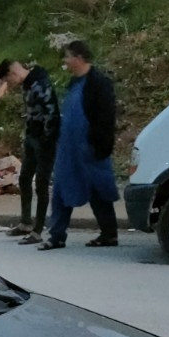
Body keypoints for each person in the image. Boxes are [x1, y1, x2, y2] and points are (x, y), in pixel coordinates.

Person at [39, 40, 120, 250]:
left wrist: (100, 146)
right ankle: (56, 236)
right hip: (69, 149)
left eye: (67, 56)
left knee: (99, 191)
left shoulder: (98, 83)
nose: (65, 61)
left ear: (79, 58)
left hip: (90, 148)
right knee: (61, 190)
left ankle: (109, 233)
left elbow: (106, 118)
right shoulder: (74, 83)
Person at [0, 58, 60, 244]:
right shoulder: (28, 85)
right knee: (24, 179)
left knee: (41, 184)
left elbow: (52, 114)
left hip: (44, 141)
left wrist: (47, 139)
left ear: (12, 73)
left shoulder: (40, 84)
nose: (10, 84)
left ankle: (38, 231)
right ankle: (26, 223)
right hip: (32, 138)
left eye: (8, 80)